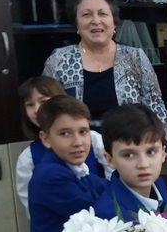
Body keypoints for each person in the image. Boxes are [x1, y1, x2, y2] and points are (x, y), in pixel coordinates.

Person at [42, 0, 167, 134]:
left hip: (130, 146)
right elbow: (47, 113)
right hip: (77, 147)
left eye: (102, 14)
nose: (96, 21)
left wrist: (159, 144)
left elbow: (156, 110)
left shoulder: (135, 58)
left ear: (114, 21)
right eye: (86, 14)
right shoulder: (59, 61)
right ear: (76, 23)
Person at [15, 76, 112, 218]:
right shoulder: (42, 169)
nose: (37, 109)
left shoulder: (92, 142)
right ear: (46, 139)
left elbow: (111, 182)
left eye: (43, 102)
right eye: (30, 104)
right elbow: (95, 211)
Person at [28, 96, 108, 232]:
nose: (78, 142)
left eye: (83, 132)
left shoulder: (74, 168)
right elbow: (98, 213)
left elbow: (105, 187)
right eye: (65, 134)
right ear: (46, 139)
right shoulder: (50, 175)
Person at [92, 104, 167, 221]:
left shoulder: (159, 185)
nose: (143, 164)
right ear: (109, 159)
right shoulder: (107, 215)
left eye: (151, 152)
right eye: (128, 155)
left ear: (163, 153)